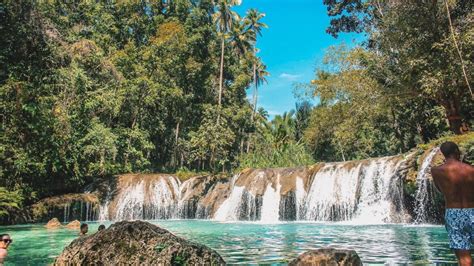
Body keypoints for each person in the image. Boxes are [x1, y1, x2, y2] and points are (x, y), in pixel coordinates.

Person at [431, 141, 474, 266]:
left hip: (454, 213)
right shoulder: (471, 170)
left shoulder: (436, 171)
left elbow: (440, 190)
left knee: (463, 256)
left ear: (443, 154)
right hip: (472, 210)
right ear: (456, 151)